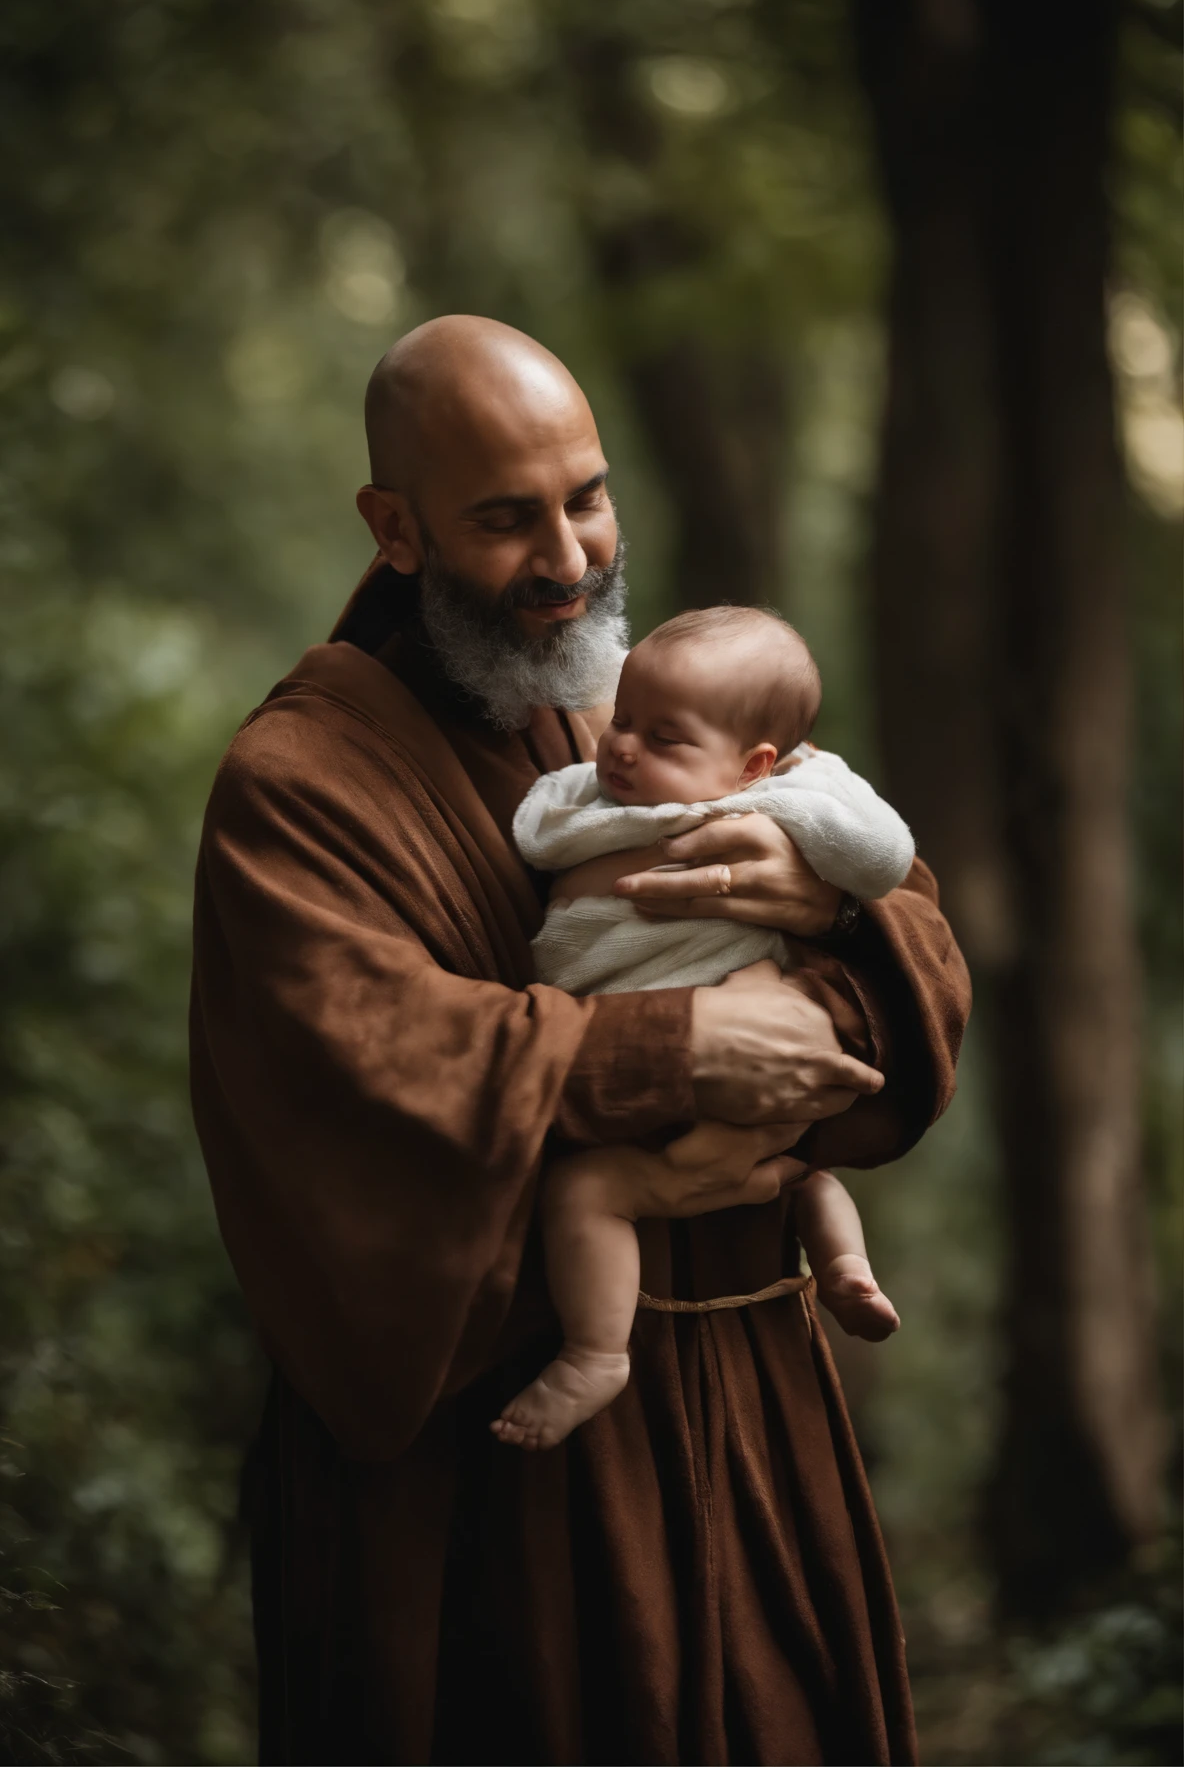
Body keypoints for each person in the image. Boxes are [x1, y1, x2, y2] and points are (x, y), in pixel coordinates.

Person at [189, 314, 971, 1766]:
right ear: (396, 527)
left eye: (586, 497)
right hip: (487, 1486)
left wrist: (831, 924)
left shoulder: (652, 716)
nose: (566, 559)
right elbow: (360, 1066)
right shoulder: (294, 782)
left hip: (748, 1405)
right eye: (504, 519)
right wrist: (672, 1055)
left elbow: (916, 931)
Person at [493, 606, 908, 1451]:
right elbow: (536, 838)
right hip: (656, 1059)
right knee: (795, 1174)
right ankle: (842, 1265)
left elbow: (885, 859)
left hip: (736, 1060)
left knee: (588, 1195)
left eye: (665, 738)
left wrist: (814, 821)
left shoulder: (788, 799)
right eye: (623, 720)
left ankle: (594, 1354)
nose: (622, 748)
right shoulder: (594, 796)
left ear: (755, 764)